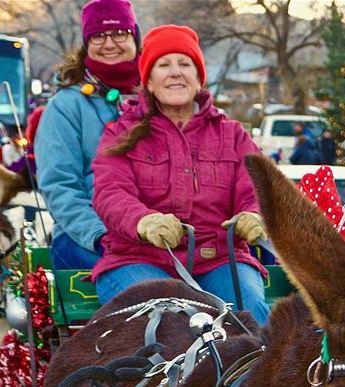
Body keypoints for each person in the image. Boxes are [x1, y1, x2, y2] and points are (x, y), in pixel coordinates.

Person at [91, 24, 270, 324]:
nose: (175, 72)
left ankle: (250, 373)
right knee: (169, 323)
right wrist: (144, 222)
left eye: (185, 64)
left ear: (199, 78)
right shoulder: (120, 133)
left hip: (220, 259)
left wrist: (255, 214)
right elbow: (110, 192)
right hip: (139, 259)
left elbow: (260, 188)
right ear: (148, 80)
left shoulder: (233, 135)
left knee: (251, 315)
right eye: (163, 65)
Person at [35, 0, 140, 269]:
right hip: (86, 236)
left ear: (135, 37)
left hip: (151, 233)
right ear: (86, 43)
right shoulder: (66, 107)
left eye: (119, 33)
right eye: (98, 36)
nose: (109, 43)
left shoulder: (157, 96)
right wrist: (98, 235)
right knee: (146, 281)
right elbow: (60, 185)